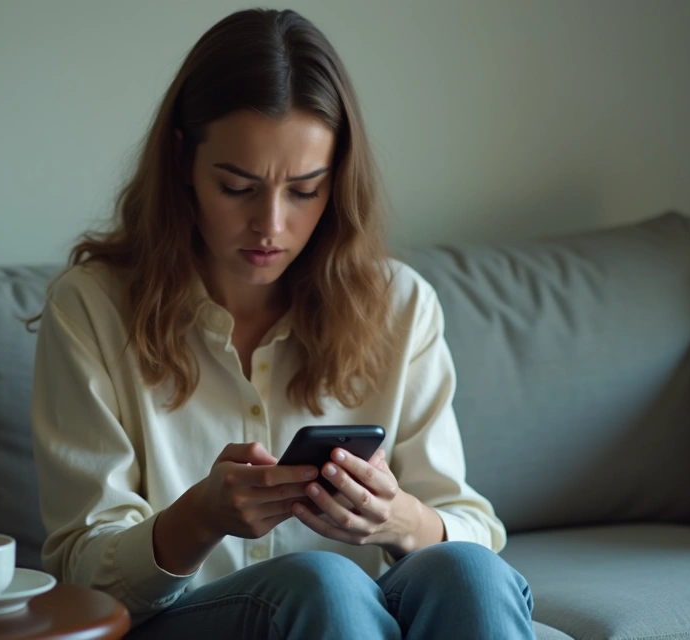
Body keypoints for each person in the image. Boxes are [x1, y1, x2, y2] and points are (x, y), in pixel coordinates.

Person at [29, 8, 534, 639]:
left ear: (338, 180)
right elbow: (84, 575)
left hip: (356, 610)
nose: (270, 225)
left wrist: (395, 518)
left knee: (471, 574)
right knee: (323, 581)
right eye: (238, 187)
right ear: (184, 160)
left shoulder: (400, 305)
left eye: (304, 190)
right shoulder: (91, 308)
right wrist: (200, 518)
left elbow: (471, 525)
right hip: (181, 621)